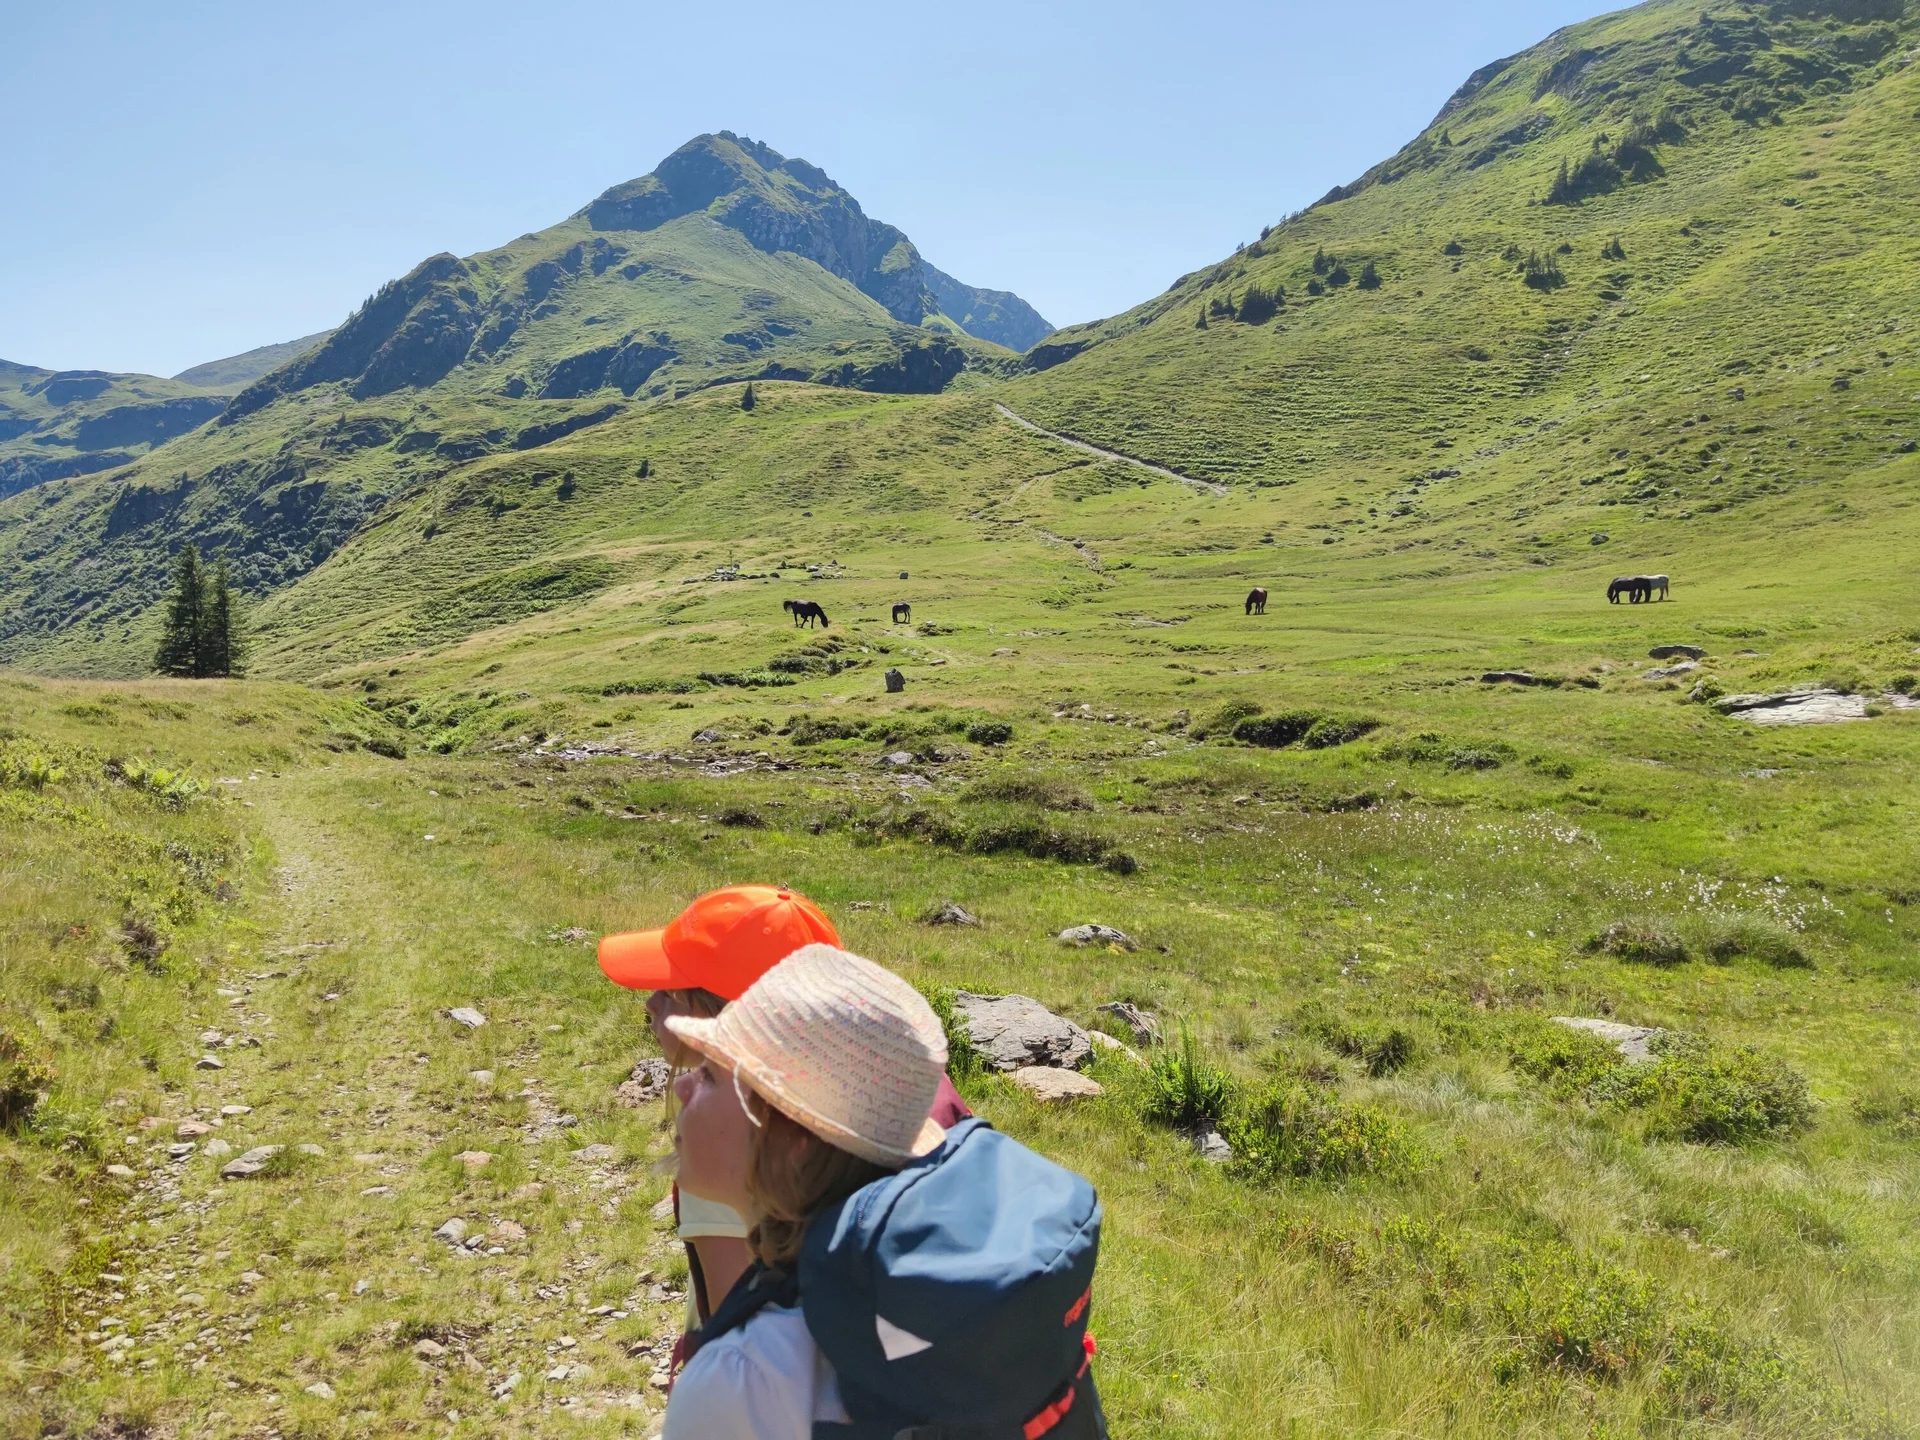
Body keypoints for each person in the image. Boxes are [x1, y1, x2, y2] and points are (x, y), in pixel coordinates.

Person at [597, 886, 971, 1337]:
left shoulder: (726, 1139)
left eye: (673, 990)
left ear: (727, 1012)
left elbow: (737, 1326)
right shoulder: (885, 1089)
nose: (651, 1002)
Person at [659, 943, 950, 1440]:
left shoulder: (741, 1380)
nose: (684, 1088)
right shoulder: (922, 1305)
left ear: (791, 1142)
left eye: (709, 1074)